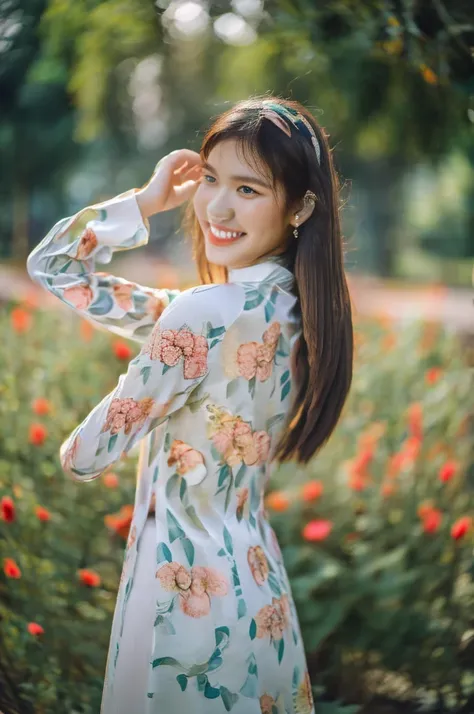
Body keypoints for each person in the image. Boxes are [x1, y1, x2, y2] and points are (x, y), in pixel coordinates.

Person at [27, 95, 353, 714]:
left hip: (182, 600)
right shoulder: (299, 316)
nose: (217, 207)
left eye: (248, 190)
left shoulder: (201, 314)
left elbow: (85, 454)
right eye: (210, 180)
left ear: (301, 207)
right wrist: (150, 202)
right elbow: (57, 271)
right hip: (259, 590)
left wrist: (141, 206)